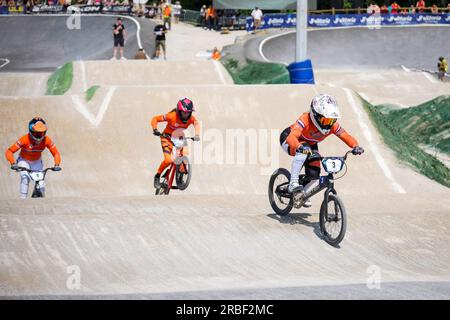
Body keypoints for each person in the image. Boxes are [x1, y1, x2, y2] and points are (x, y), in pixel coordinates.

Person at [279, 94, 364, 206]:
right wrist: (299, 147)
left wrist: (355, 146)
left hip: (310, 143)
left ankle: (302, 194)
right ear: (315, 115)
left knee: (315, 174)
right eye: (326, 121)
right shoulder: (305, 119)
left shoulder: (332, 125)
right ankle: (293, 183)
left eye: (331, 121)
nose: (329, 124)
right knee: (304, 150)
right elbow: (292, 137)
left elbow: (345, 135)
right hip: (289, 139)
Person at [5, 117, 62, 199]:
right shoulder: (24, 139)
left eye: (42, 133)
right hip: (23, 161)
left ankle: (42, 203)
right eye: (36, 133)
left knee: (41, 184)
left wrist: (57, 164)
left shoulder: (47, 140)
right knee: (25, 178)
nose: (39, 136)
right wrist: (13, 163)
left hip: (37, 162)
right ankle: (22, 200)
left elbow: (56, 153)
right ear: (31, 131)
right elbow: (9, 151)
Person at [151, 98, 201, 189]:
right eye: (184, 112)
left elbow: (196, 123)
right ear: (179, 111)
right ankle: (157, 176)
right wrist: (155, 129)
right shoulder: (171, 116)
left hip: (179, 138)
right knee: (169, 160)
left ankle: (180, 175)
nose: (186, 115)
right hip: (167, 138)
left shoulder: (191, 119)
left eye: (188, 112)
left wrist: (197, 134)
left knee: (185, 155)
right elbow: (155, 119)